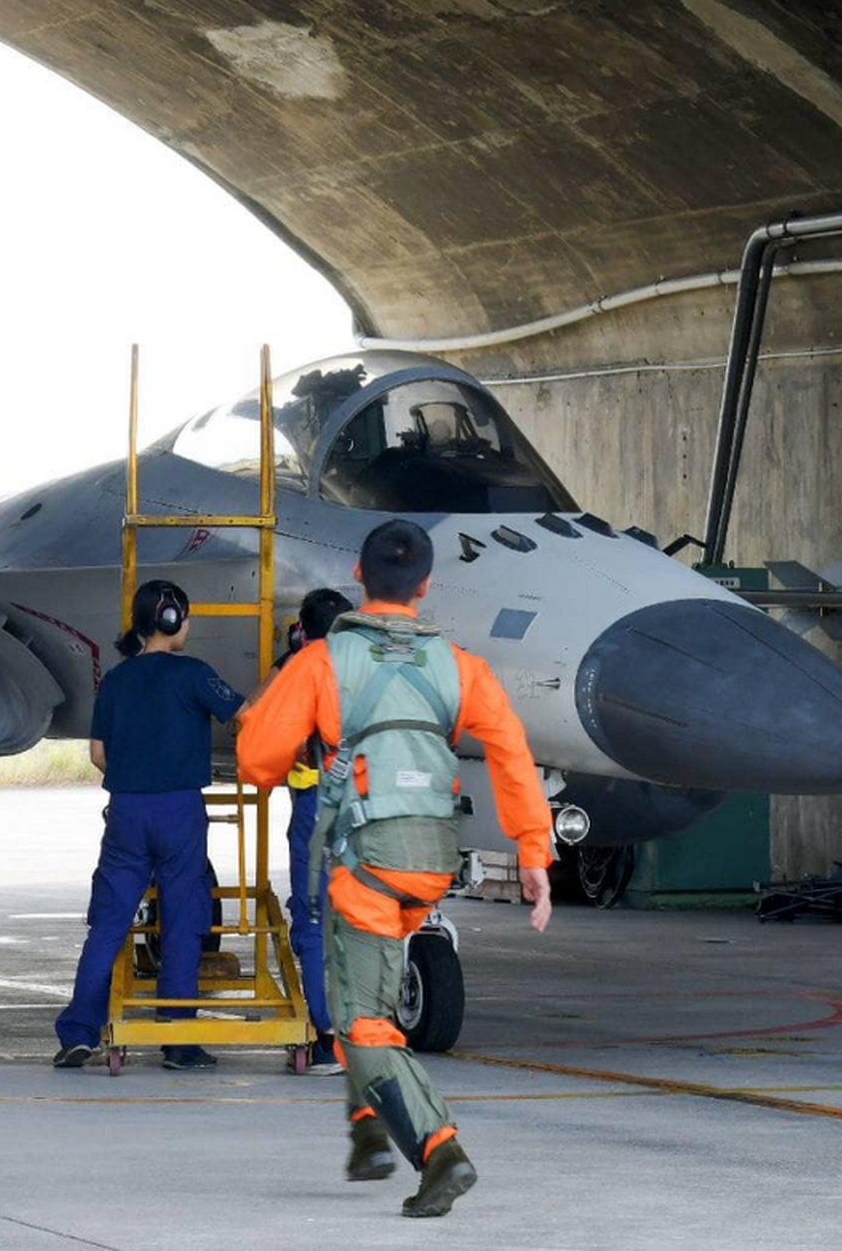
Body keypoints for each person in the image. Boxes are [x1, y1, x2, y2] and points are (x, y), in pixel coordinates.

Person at [236, 520, 553, 1218]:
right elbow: (510, 751)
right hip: (433, 861)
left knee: (360, 1024)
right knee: (358, 991)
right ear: (427, 586)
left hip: (368, 863)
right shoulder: (460, 665)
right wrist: (533, 852)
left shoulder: (322, 662)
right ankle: (366, 1131)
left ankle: (441, 1151)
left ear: (358, 576)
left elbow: (257, 762)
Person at [53, 579, 244, 1072]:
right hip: (178, 811)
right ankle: (178, 1040)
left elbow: (98, 754)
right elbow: (247, 716)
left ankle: (78, 1033)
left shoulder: (114, 680)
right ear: (172, 620)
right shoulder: (195, 675)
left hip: (126, 810)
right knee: (183, 923)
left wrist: (134, 778)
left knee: (108, 925)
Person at [279, 588, 355, 1075]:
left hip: (316, 810)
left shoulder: (300, 671)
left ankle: (328, 1036)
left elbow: (264, 724)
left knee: (312, 921)